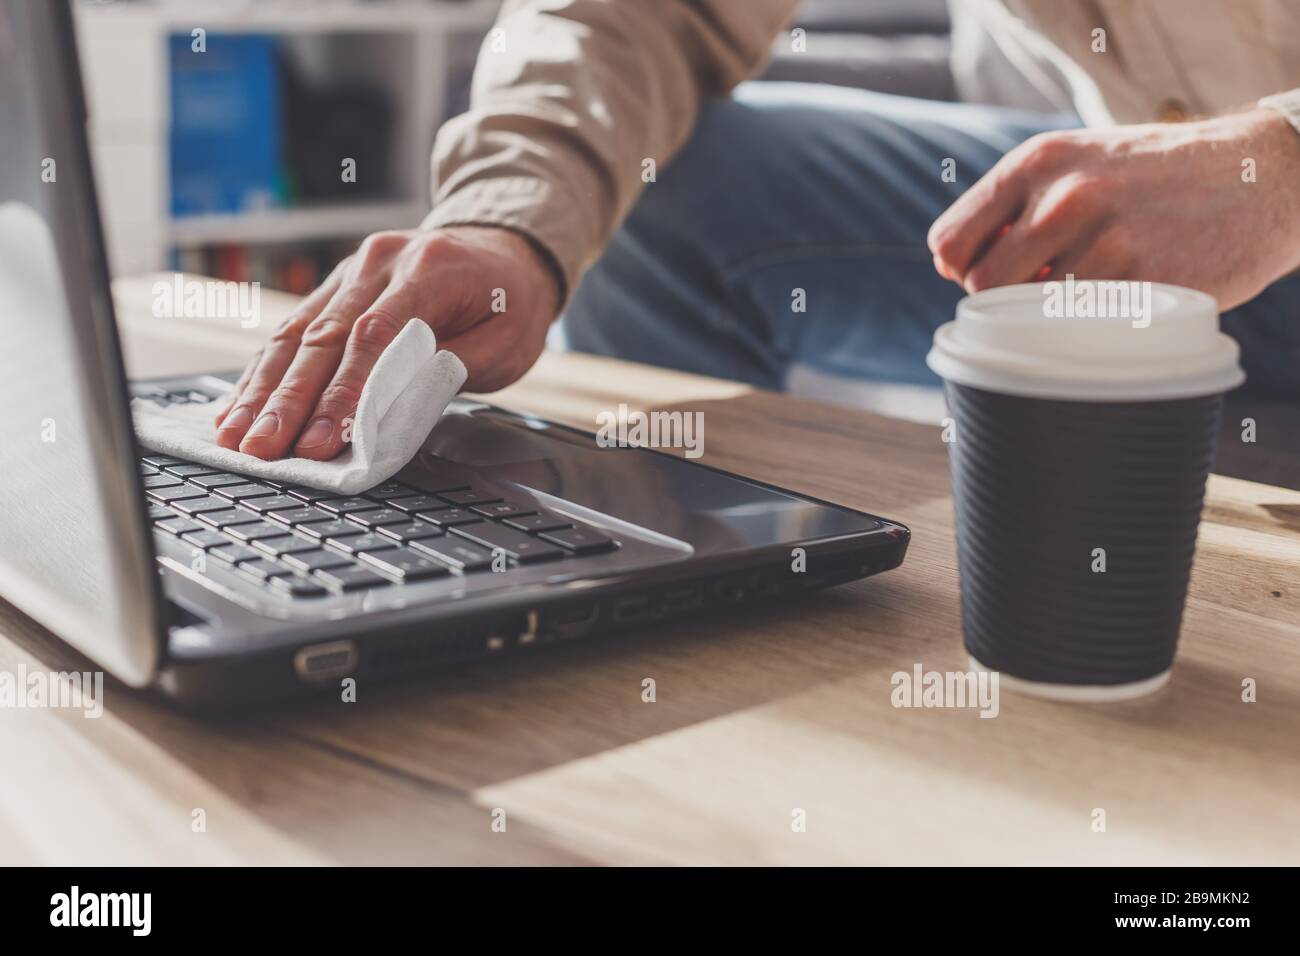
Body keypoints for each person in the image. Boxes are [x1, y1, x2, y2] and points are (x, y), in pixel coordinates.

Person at [216, 0, 1300, 461]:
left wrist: (1274, 171)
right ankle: (679, 617)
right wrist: (507, 226)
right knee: (666, 199)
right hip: (1104, 179)